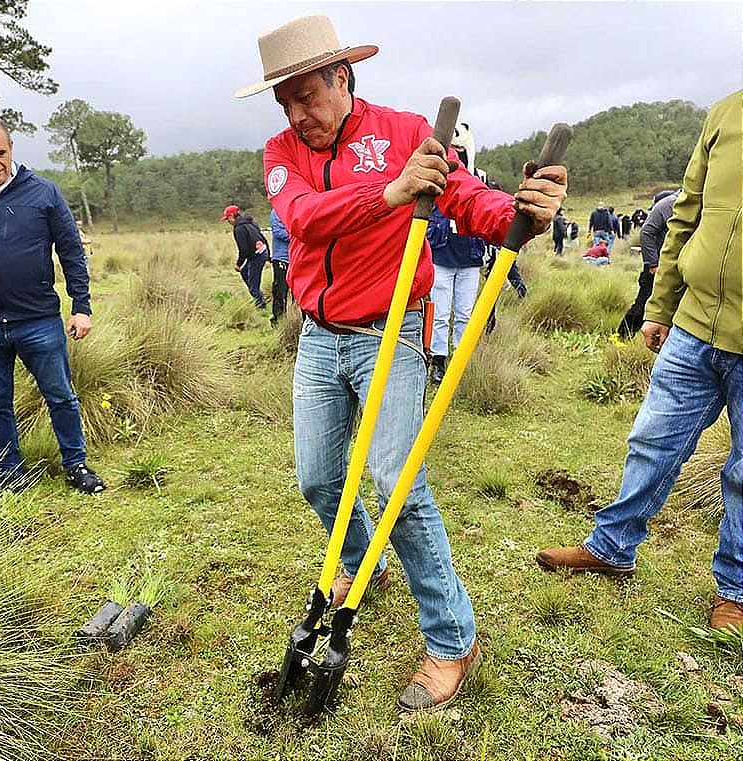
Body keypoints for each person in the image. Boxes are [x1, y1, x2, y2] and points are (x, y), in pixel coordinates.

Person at [235, 14, 567, 711]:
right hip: (320, 334)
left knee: (396, 480)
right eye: (285, 101)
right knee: (318, 479)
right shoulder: (279, 152)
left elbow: (469, 201)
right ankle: (365, 562)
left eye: (308, 95)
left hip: (393, 325)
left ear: (342, 76)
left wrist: (522, 210)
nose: (299, 114)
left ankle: (452, 640)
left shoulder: (409, 133)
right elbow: (302, 218)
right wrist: (388, 194)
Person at [535, 90, 742, 633]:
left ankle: (736, 590)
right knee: (652, 439)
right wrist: (661, 305)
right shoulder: (726, 112)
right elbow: (686, 217)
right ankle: (612, 547)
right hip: (695, 321)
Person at [0, 113, 106, 509]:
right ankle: (9, 475)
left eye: (0, 151)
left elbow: (71, 252)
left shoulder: (43, 193)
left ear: (12, 148)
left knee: (61, 395)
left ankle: (76, 464)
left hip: (39, 321)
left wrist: (81, 308)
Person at [426, 204, 485, 384]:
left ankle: (460, 359)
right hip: (441, 258)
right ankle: (438, 360)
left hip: (470, 261)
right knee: (440, 315)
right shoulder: (439, 195)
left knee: (464, 315)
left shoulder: (476, 193)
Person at [616, 189, 678, 339]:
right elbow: (646, 233)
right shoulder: (667, 205)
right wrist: (653, 264)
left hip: (677, 267)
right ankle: (622, 336)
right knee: (643, 303)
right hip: (656, 268)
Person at [221, 204, 269, 310]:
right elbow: (263, 238)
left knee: (253, 285)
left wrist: (238, 264)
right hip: (261, 253)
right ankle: (259, 296)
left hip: (256, 257)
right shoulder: (251, 223)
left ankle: (261, 306)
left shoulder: (239, 229)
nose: (228, 222)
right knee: (244, 272)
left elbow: (243, 250)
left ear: (232, 216)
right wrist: (268, 254)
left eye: (228, 219)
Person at [269, 207, 290, 325]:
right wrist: (298, 234)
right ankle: (278, 319)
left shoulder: (296, 208)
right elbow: (278, 231)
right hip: (282, 258)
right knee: (280, 290)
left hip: (297, 258)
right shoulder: (277, 211)